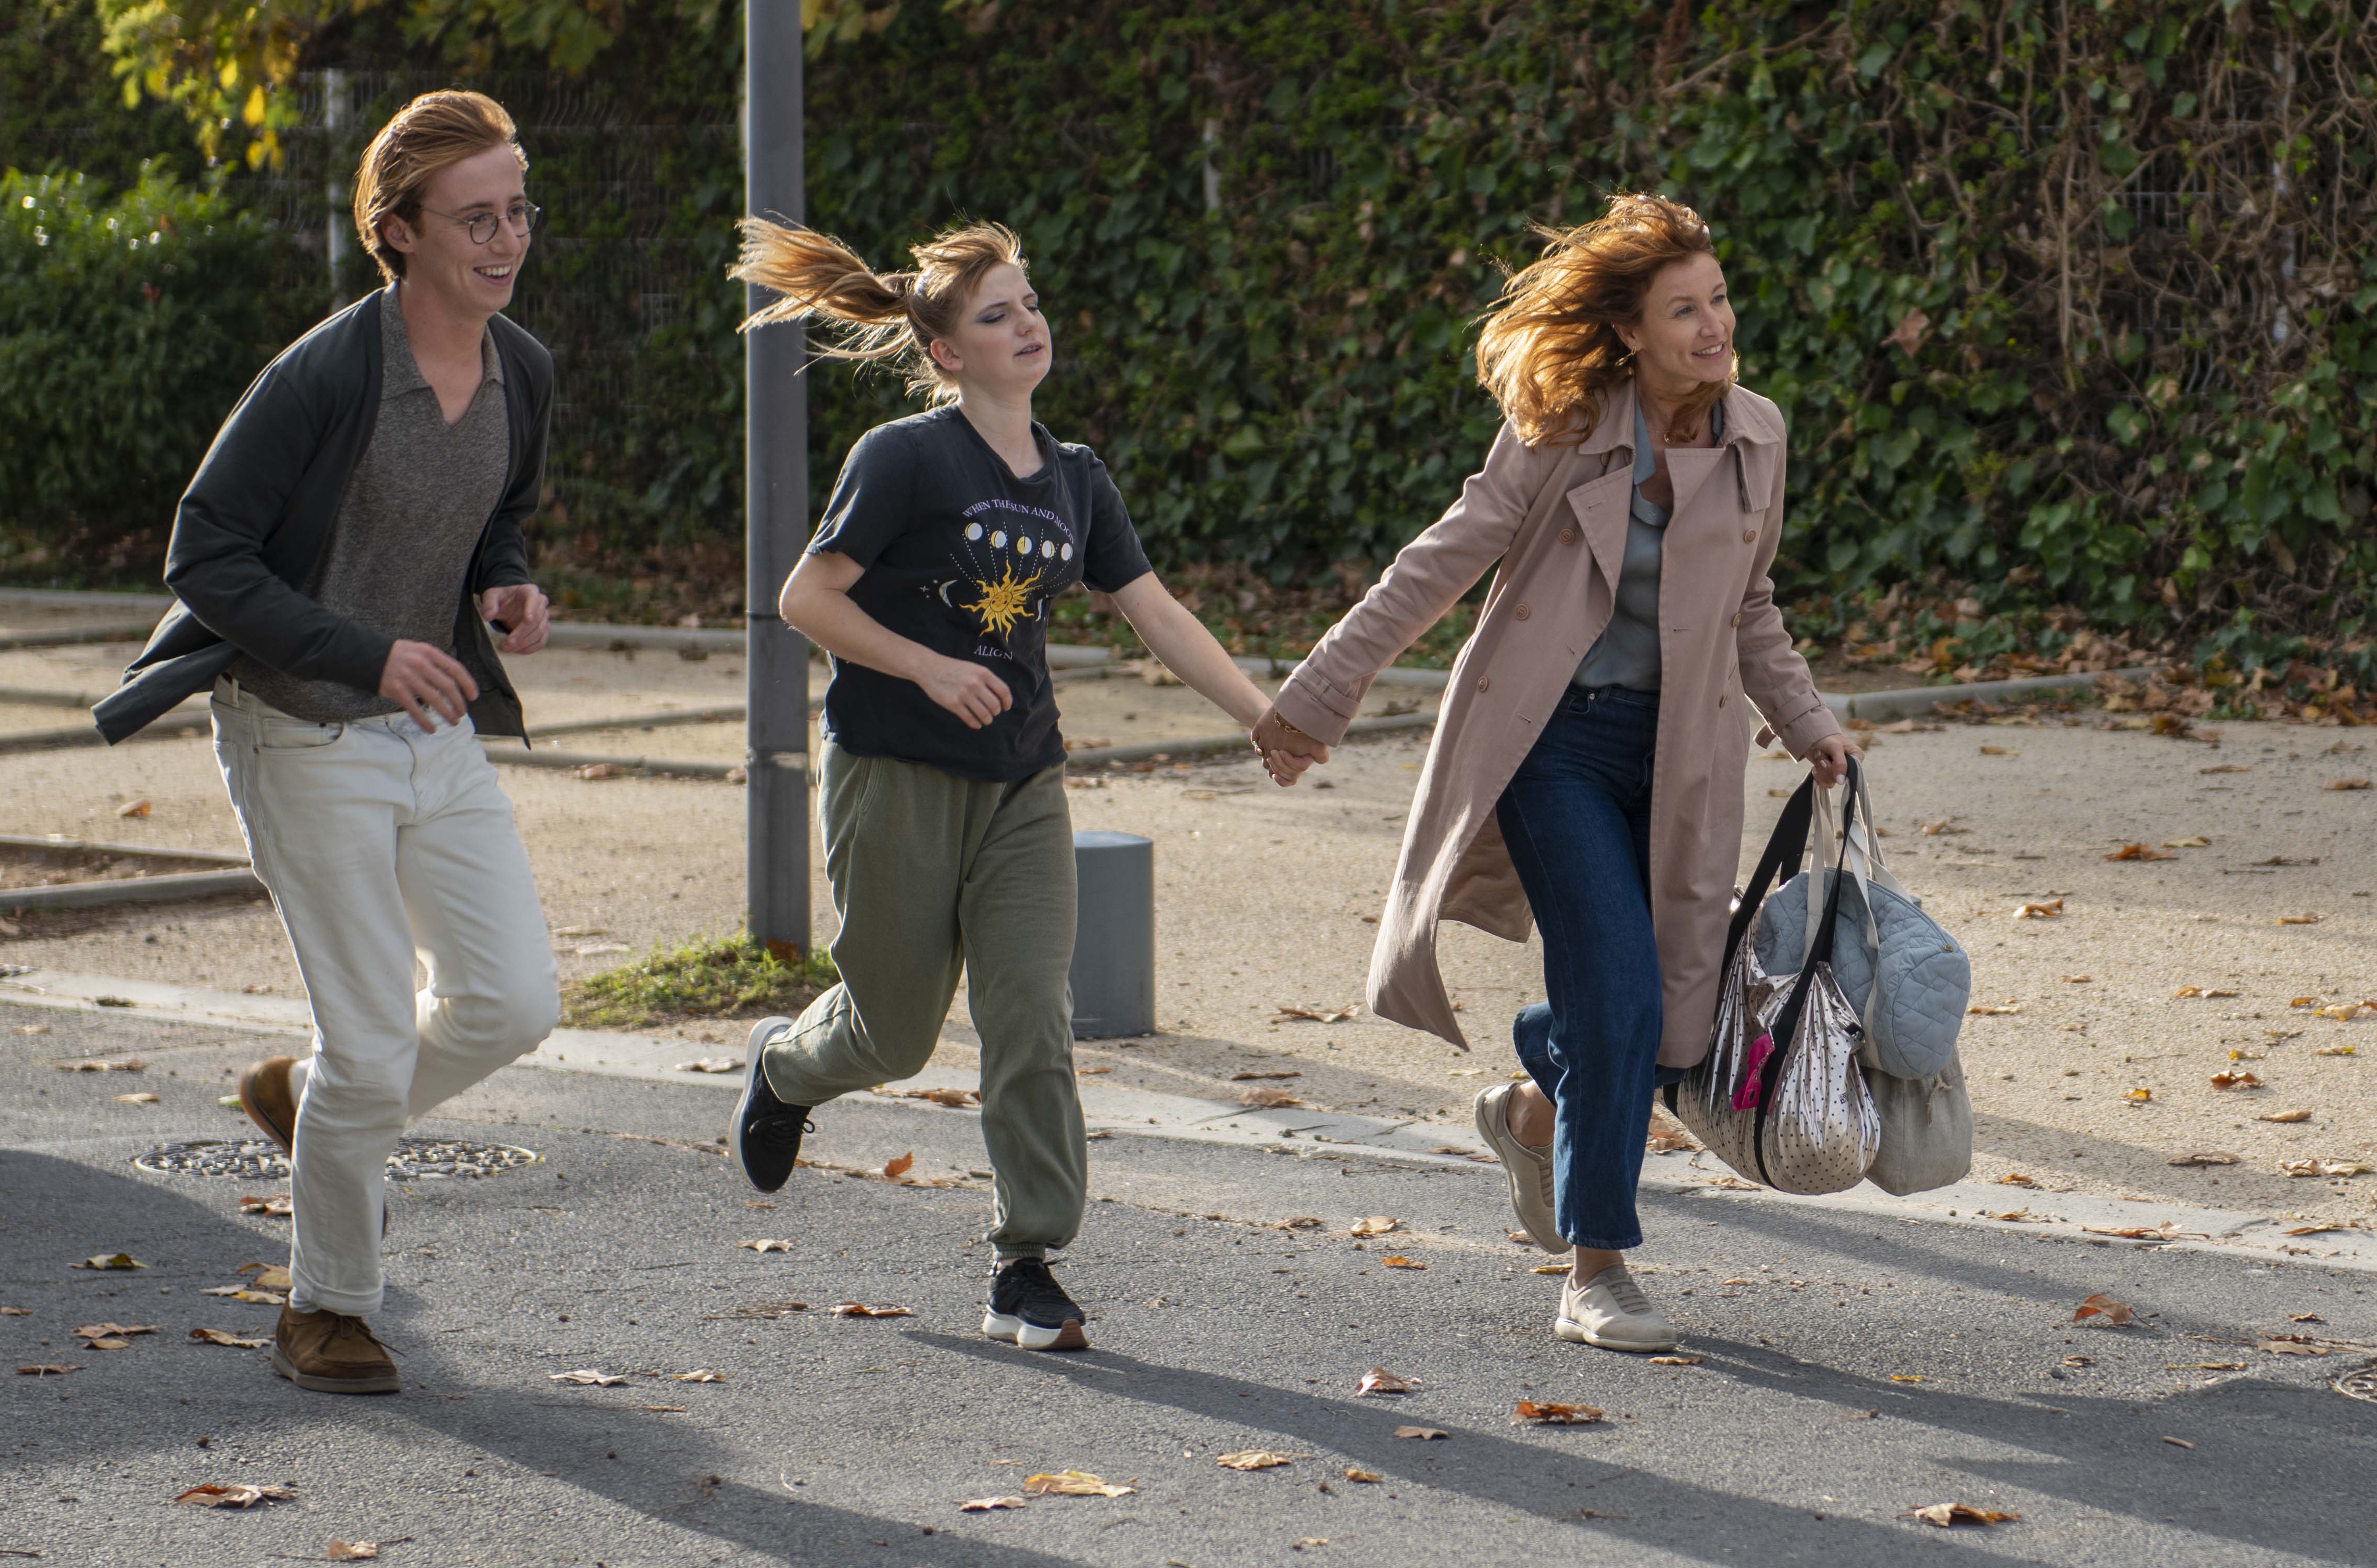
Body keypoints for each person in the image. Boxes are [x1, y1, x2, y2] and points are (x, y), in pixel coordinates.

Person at [1251, 193, 1856, 1353]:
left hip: (1681, 757)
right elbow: (1441, 558)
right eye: (1683, 309)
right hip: (1551, 744)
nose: (1714, 325)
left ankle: (1533, 1106)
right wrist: (1319, 692)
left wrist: (1807, 720)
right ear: (1628, 331)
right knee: (1622, 993)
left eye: (1719, 299)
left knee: (1665, 1012)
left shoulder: (1758, 434)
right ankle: (1596, 1270)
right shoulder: (1564, 425)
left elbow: (1751, 606)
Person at [722, 217, 1269, 1353]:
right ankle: (785, 1067)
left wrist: (1264, 717)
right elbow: (805, 598)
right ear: (945, 352)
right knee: (893, 1036)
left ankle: (1026, 1261)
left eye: (1029, 303)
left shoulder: (1076, 479)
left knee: (1030, 1015)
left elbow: (1156, 611)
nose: (1027, 324)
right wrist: (928, 666)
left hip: (1023, 780)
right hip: (893, 772)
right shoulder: (904, 458)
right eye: (995, 315)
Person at [91, 91, 561, 1394]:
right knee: (372, 1043)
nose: (506, 240)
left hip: (429, 726)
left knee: (514, 1003)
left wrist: (504, 583)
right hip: (298, 729)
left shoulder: (521, 369)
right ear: (399, 230)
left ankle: (313, 1106)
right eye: (475, 219)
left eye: (517, 211)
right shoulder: (325, 374)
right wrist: (364, 649)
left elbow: (495, 512)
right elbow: (205, 555)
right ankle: (326, 1308)